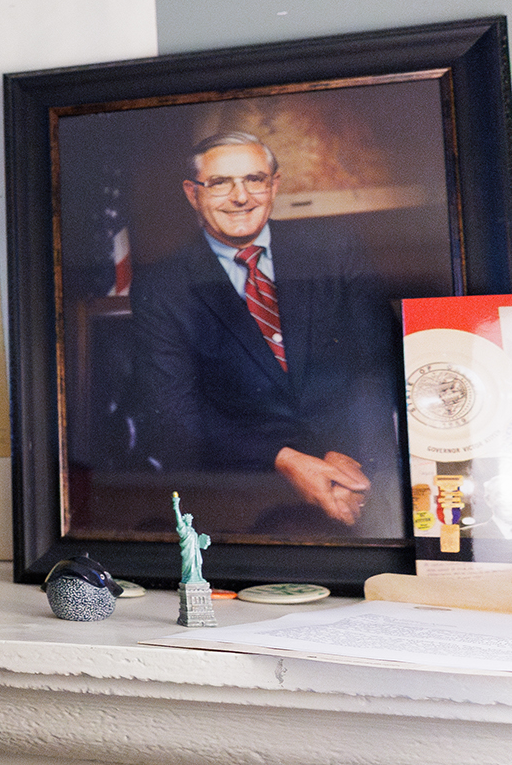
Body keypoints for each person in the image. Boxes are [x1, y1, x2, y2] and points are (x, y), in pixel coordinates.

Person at [131, 131, 400, 535]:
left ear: (274, 185)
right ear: (192, 193)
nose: (241, 197)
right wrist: (284, 459)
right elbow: (174, 418)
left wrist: (351, 467)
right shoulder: (162, 285)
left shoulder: (336, 249)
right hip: (244, 489)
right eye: (220, 183)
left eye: (255, 179)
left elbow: (377, 368)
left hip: (360, 474)